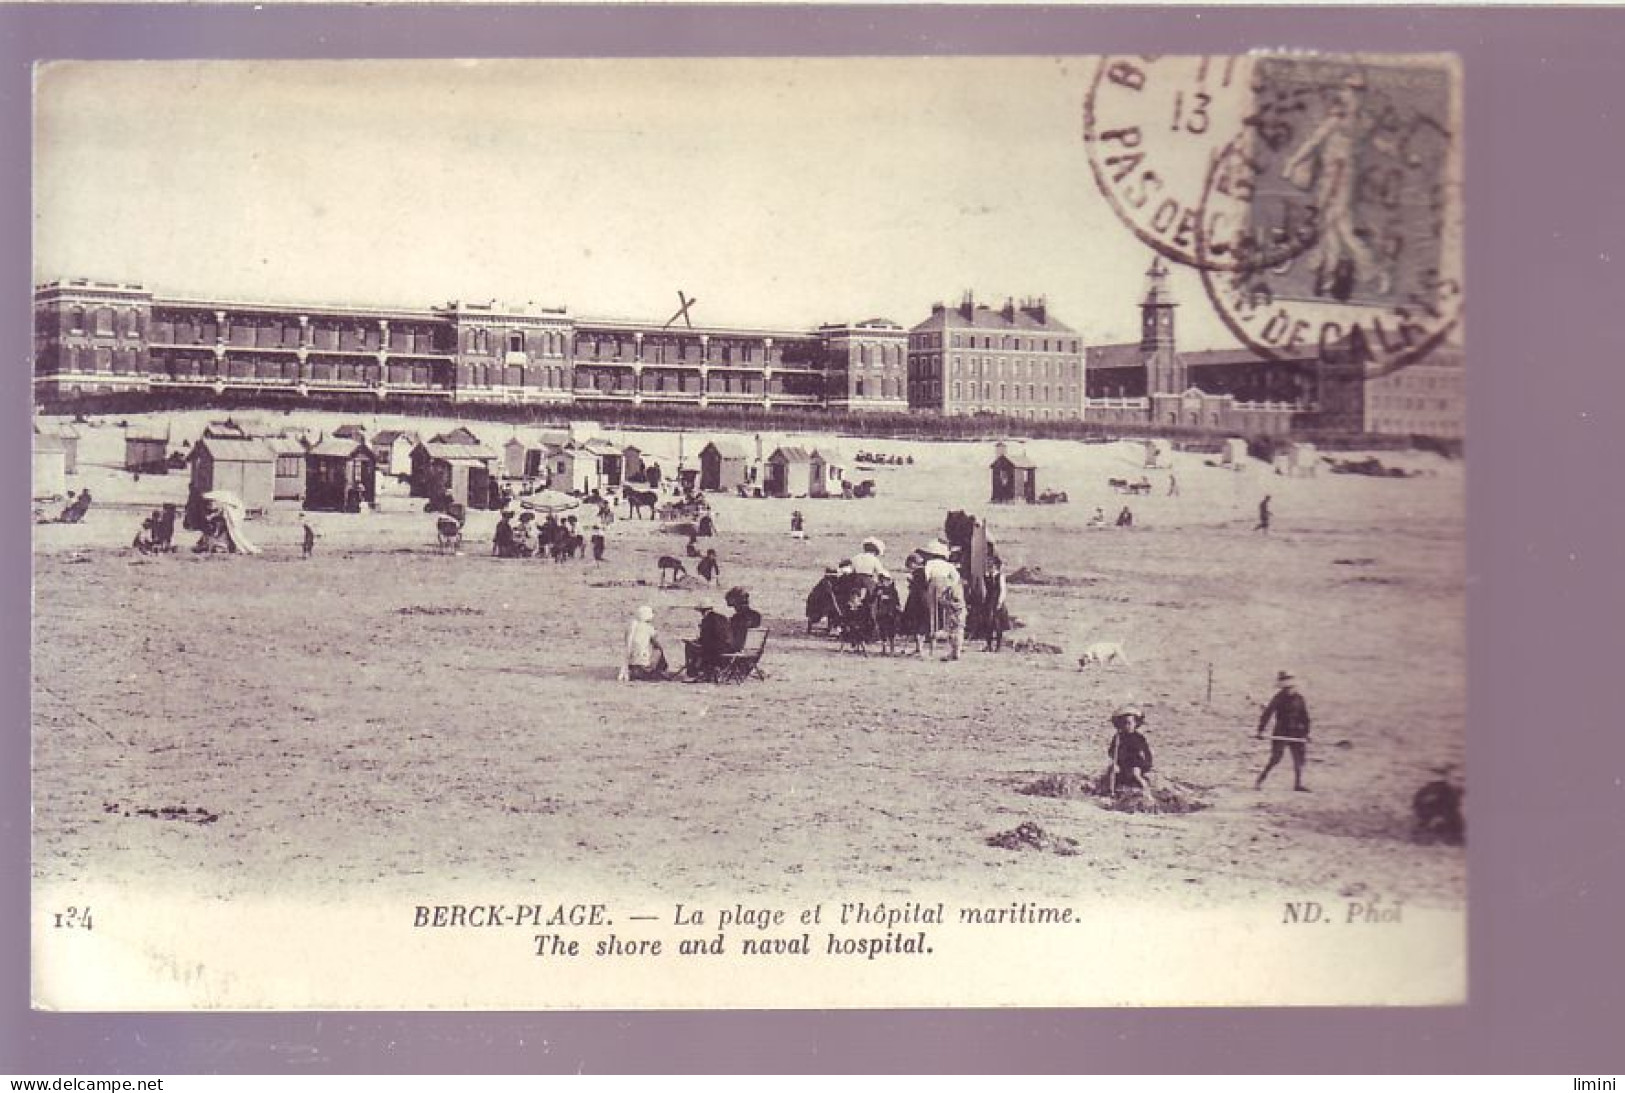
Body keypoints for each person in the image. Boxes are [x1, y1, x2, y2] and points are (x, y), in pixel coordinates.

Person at [1255, 671, 1311, 791]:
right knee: (1276, 757)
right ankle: (1260, 780)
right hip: (1281, 732)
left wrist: (1306, 733)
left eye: (1291, 687)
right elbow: (1267, 714)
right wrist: (1260, 730)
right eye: (1286, 688)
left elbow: (1305, 717)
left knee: (1299, 759)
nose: (1289, 690)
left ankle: (1298, 784)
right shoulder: (1278, 698)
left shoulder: (1300, 699)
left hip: (1297, 732)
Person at [1105, 705, 1156, 798]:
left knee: (1135, 773)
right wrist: (1115, 759)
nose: (1127, 726)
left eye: (1129, 723)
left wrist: (1145, 765)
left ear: (1135, 724)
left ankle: (1146, 790)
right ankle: (1109, 791)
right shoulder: (1118, 737)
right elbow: (1111, 752)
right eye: (1124, 723)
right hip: (1123, 764)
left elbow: (1146, 754)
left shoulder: (1139, 738)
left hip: (1136, 764)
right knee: (1111, 770)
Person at [621, 605, 674, 682]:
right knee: (658, 650)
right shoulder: (648, 628)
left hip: (631, 665)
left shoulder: (631, 627)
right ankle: (659, 670)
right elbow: (656, 643)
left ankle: (636, 670)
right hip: (643, 667)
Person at [683, 603, 734, 680]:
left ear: (704, 611)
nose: (701, 614)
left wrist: (694, 642)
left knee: (689, 646)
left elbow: (706, 639)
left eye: (701, 612)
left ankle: (692, 671)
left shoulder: (707, 620)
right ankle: (697, 670)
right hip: (728, 648)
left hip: (715, 650)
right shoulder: (722, 617)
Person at [901, 554, 931, 656]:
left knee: (915, 621)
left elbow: (916, 586)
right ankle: (919, 647)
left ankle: (919, 647)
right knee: (921, 622)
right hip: (924, 598)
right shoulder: (925, 571)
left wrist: (911, 582)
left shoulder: (918, 572)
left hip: (916, 599)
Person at [982, 557, 1009, 652]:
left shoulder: (1000, 576)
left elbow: (1003, 590)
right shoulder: (986, 576)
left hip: (997, 600)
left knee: (998, 624)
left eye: (992, 565)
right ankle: (989, 645)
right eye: (989, 565)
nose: (990, 567)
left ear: (996, 566)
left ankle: (998, 646)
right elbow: (985, 589)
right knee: (987, 623)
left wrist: (1000, 602)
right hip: (988, 601)